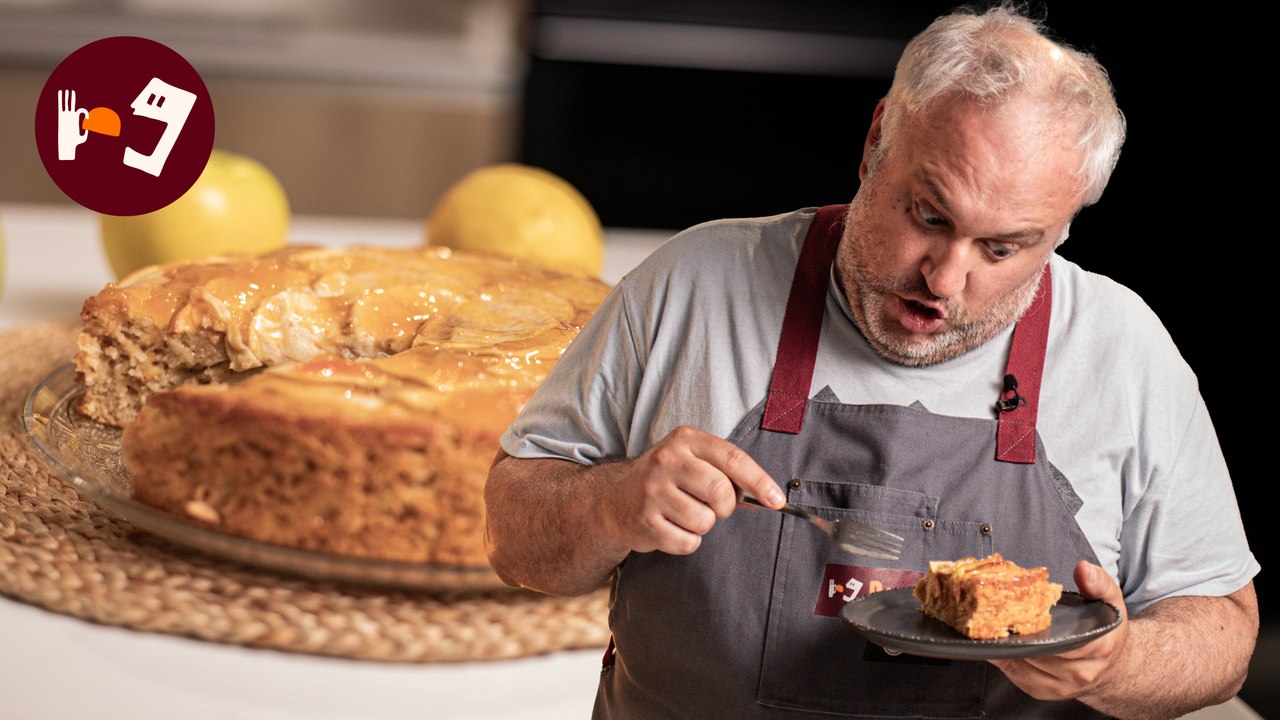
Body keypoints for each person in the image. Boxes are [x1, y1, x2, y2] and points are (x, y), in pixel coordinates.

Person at [484, 5, 1260, 719]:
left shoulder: (1122, 351)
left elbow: (1222, 631)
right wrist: (610, 503)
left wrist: (1116, 664)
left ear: (1060, 231)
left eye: (1002, 248)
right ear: (876, 142)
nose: (945, 279)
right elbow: (513, 538)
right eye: (929, 215)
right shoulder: (690, 287)